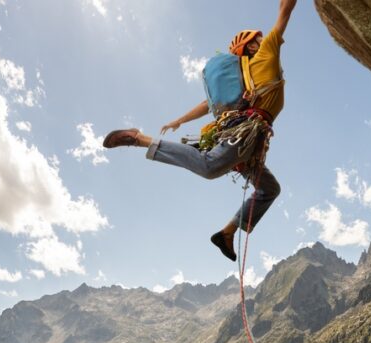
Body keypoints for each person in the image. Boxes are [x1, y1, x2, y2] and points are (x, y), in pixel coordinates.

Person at [103, 0, 297, 261]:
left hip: (248, 142)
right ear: (250, 46)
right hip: (245, 134)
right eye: (258, 39)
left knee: (269, 189)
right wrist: (178, 121)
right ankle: (140, 139)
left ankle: (226, 234)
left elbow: (208, 105)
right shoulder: (265, 55)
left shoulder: (248, 76)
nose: (264, 40)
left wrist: (179, 120)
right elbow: (285, 10)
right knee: (208, 167)